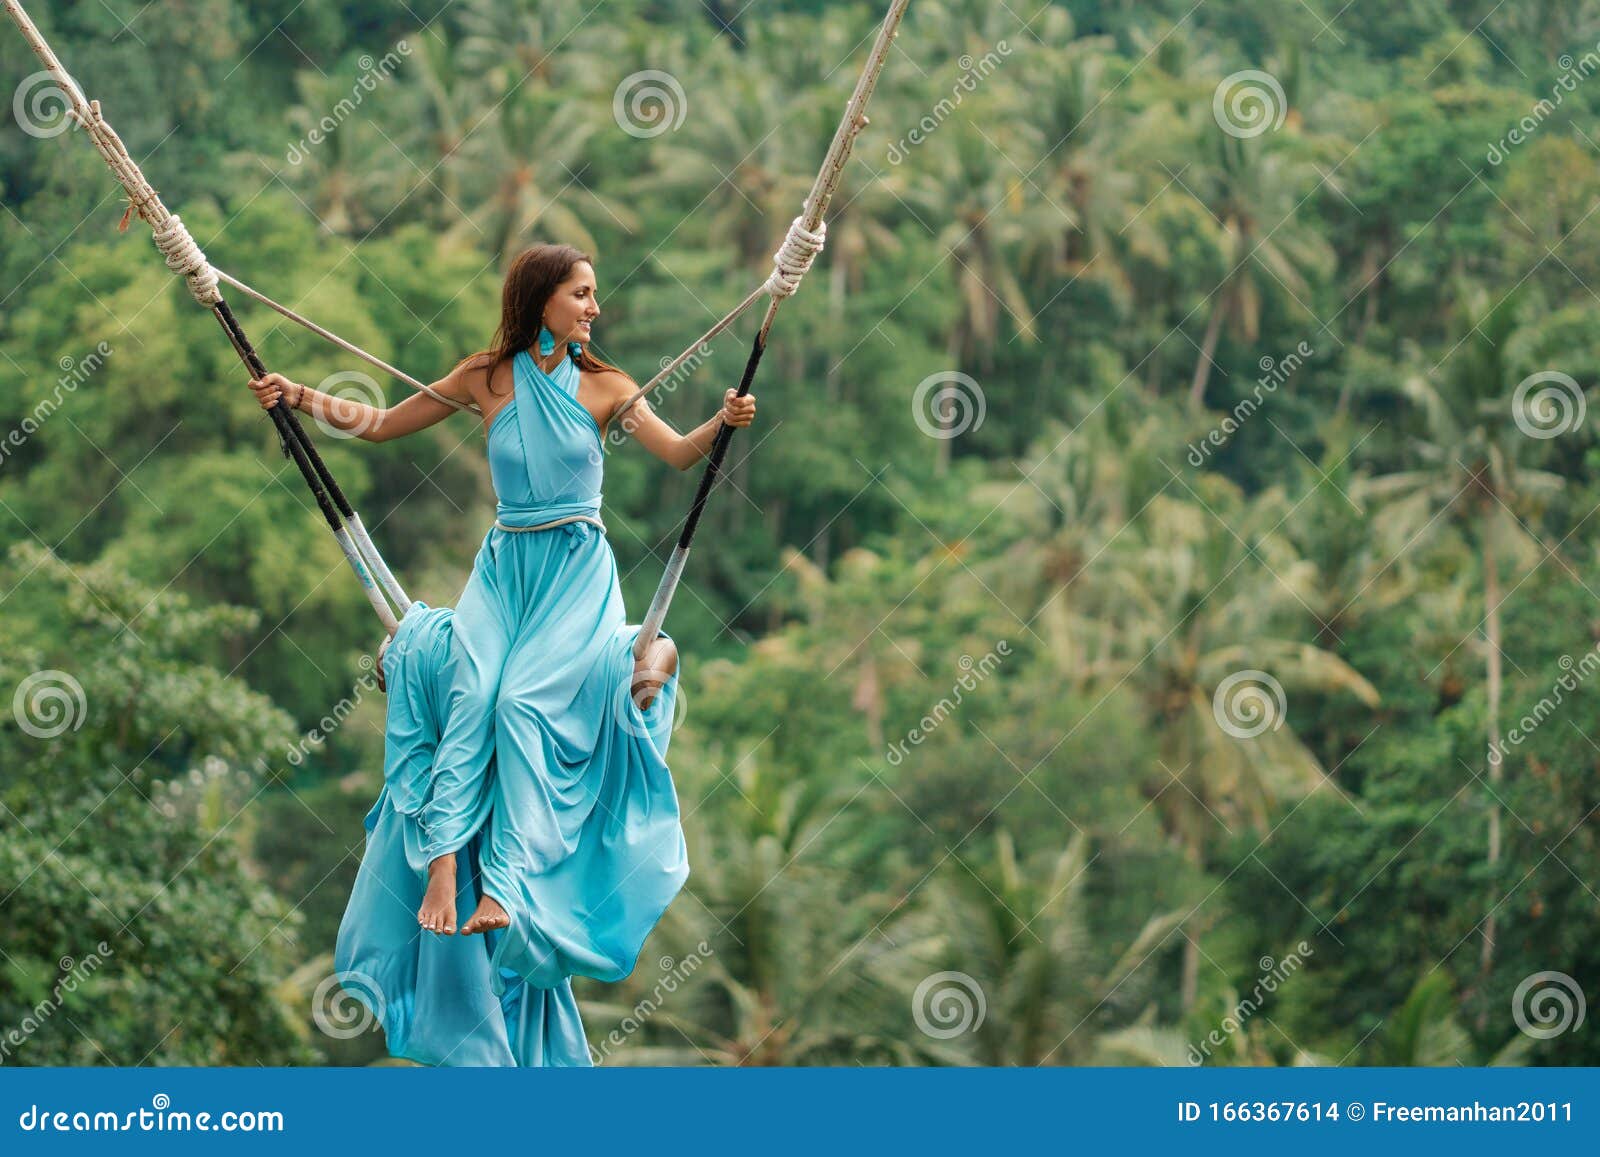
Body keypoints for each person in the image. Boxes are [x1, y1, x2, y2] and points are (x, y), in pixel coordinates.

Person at [249, 243, 757, 1061]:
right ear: (542, 298)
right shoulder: (487, 377)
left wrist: (721, 424)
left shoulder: (607, 386)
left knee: (522, 704)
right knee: (474, 697)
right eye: (582, 293)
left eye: (595, 295)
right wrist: (299, 397)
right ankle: (446, 870)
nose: (594, 307)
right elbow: (381, 425)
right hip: (505, 567)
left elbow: (678, 453)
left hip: (574, 574)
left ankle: (509, 888)